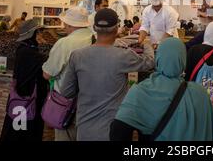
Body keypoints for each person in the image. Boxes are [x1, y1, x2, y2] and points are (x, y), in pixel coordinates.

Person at [60, 8, 155, 141]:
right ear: (116, 29)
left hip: (85, 129)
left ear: (94, 28)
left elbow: (66, 92)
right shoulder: (124, 56)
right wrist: (146, 44)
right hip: (114, 130)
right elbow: (149, 62)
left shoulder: (77, 56)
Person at [110, 38, 213, 141]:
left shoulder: (140, 92)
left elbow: (118, 131)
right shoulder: (200, 94)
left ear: (158, 59)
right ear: (183, 61)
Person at [42, 6, 93, 141]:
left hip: (68, 104)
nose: (64, 26)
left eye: (65, 23)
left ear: (70, 24)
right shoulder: (96, 40)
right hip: (93, 103)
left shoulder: (65, 43)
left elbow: (47, 74)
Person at [0, 20, 48, 141]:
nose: (41, 35)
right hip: (27, 99)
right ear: (33, 34)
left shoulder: (25, 49)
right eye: (39, 32)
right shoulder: (29, 52)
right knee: (24, 132)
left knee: (19, 130)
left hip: (23, 99)